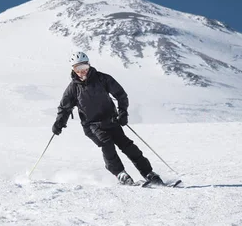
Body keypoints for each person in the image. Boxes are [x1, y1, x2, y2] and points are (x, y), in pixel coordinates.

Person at [52, 51, 164, 185]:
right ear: (73, 70)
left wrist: (123, 113)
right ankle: (120, 173)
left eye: (84, 67)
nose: (82, 72)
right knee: (107, 144)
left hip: (111, 121)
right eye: (78, 69)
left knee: (128, 146)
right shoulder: (73, 88)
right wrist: (59, 123)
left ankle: (148, 173)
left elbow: (121, 95)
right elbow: (64, 108)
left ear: (89, 65)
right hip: (92, 125)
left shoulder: (102, 79)